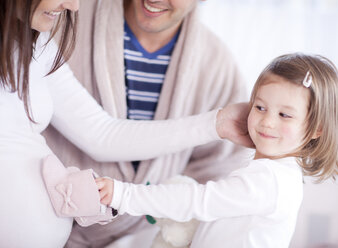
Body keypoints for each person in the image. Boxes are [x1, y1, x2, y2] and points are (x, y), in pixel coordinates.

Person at [0, 0, 251, 247]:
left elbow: (100, 133)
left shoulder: (37, 43)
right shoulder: (57, 28)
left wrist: (216, 124)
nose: (75, 6)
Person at [96, 53, 338, 248]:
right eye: (259, 107)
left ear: (317, 129)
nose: (268, 121)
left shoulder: (269, 180)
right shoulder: (273, 173)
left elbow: (195, 201)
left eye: (284, 115)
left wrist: (123, 194)